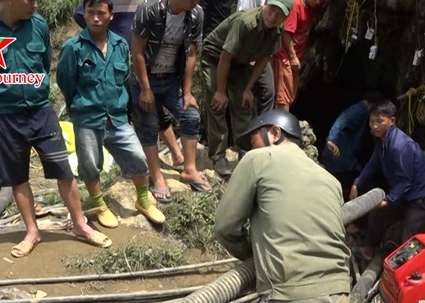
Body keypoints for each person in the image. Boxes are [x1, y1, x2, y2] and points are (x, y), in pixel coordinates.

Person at [211, 109, 350, 303]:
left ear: (274, 133)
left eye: (254, 140)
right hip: (338, 292)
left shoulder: (259, 160)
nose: (252, 148)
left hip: (292, 296)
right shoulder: (329, 179)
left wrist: (251, 255)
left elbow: (225, 226)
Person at [0, 0, 112, 258]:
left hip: (40, 110)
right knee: (18, 176)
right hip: (4, 115)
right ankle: (32, 231)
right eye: (30, 0)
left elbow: (44, 66)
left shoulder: (38, 25)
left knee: (63, 171)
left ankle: (80, 225)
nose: (35, 4)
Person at [57, 0, 166, 226]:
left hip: (117, 117)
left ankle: (143, 201)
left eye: (101, 13)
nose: (96, 18)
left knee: (137, 156)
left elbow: (123, 78)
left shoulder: (120, 45)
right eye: (91, 13)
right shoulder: (73, 47)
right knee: (90, 164)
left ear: (111, 16)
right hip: (87, 118)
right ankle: (100, 205)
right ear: (84, 15)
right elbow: (66, 83)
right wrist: (79, 105)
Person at [74, 0, 186, 172]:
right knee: (122, 110)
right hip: (112, 59)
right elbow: (81, 14)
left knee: (153, 108)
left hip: (141, 61)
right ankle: (126, 161)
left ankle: (176, 154)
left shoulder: (146, 2)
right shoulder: (103, 3)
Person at [129, 0, 212, 201]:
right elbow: (137, 52)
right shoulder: (148, 10)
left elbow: (192, 54)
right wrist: (146, 89)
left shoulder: (196, 14)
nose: (197, 1)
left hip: (171, 79)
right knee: (149, 124)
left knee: (190, 115)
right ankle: (156, 177)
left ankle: (189, 169)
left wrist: (187, 92)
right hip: (145, 78)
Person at [201, 0, 292, 176]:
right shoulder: (245, 23)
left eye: (279, 14)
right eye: (272, 9)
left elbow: (264, 59)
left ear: (284, 18)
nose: (273, 16)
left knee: (244, 104)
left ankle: (244, 148)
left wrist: (248, 87)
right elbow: (225, 56)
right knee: (217, 104)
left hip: (239, 62)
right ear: (265, 5)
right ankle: (218, 155)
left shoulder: (276, 31)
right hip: (215, 57)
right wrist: (220, 91)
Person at [350, 100, 425, 260]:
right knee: (377, 214)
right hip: (403, 196)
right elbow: (373, 163)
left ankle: (405, 273)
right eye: (372, 121)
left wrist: (388, 200)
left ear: (392, 121)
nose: (375, 126)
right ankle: (368, 250)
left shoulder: (400, 145)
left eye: (380, 121)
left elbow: (406, 181)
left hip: (421, 199)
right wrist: (358, 182)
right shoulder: (381, 140)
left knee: (409, 242)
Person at [321, 91, 383, 200]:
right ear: (373, 105)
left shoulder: (360, 110)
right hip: (341, 159)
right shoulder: (361, 110)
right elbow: (341, 122)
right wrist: (331, 140)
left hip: (342, 158)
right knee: (363, 183)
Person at [272, 0, 324, 111]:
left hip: (296, 58)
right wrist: (292, 56)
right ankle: (281, 127)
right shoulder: (296, 6)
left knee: (290, 96)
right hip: (285, 57)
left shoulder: (312, 6)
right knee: (283, 98)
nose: (319, 1)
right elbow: (286, 32)